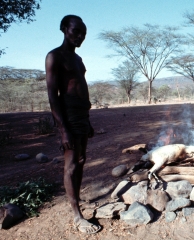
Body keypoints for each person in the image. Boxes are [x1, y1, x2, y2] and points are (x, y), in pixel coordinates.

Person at [45, 15, 100, 234]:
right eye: (76, 31)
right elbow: (53, 96)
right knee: (71, 165)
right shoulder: (54, 57)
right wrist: (63, 130)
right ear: (63, 28)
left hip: (81, 115)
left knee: (82, 159)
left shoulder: (78, 59)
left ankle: (77, 199)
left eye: (83, 34)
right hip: (68, 115)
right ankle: (77, 215)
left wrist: (87, 121)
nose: (80, 37)